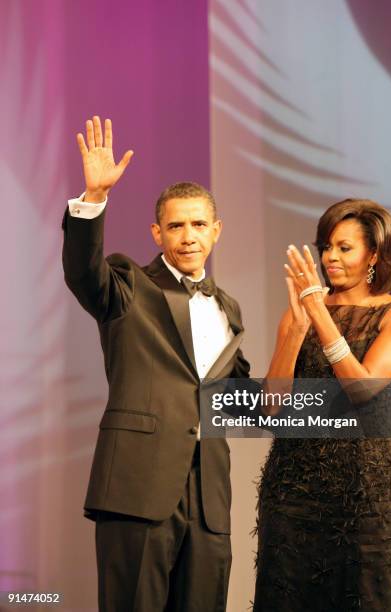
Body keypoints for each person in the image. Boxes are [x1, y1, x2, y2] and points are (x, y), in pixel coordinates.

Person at [62, 116, 250, 612]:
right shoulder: (128, 284)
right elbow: (84, 273)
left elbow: (241, 402)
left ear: (216, 231)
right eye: (176, 225)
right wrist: (93, 198)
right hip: (136, 491)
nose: (188, 237)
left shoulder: (227, 306)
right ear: (157, 232)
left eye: (198, 224)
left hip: (209, 499)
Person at [253, 199, 391, 611]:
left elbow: (362, 390)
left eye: (344, 248)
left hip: (365, 493)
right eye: (326, 246)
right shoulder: (301, 312)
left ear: (374, 255)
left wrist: (318, 314)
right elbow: (270, 407)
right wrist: (296, 328)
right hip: (293, 490)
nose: (329, 257)